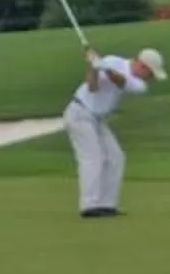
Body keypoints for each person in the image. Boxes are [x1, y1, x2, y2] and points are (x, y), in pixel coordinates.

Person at [65, 45, 163, 218]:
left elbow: (122, 82)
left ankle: (107, 204)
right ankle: (89, 205)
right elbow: (92, 88)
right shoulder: (113, 61)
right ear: (142, 66)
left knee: (116, 157)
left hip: (97, 119)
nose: (151, 79)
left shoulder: (139, 85)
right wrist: (94, 67)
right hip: (80, 112)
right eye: (151, 74)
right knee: (93, 158)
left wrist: (105, 68)